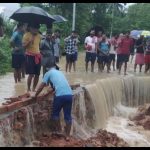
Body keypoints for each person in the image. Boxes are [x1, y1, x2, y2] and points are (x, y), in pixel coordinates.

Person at [32, 57, 73, 141]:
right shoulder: (60, 72)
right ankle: (67, 135)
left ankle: (59, 131)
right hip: (69, 95)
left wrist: (35, 95)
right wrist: (48, 93)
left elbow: (42, 85)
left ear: (46, 68)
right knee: (68, 116)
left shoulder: (48, 73)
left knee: (55, 114)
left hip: (60, 96)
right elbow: (58, 86)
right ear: (54, 66)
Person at [22, 23, 41, 92]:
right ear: (30, 28)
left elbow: (39, 45)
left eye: (37, 28)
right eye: (34, 28)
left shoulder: (39, 36)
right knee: (31, 74)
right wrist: (30, 41)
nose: (36, 30)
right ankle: (28, 88)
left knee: (37, 74)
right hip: (29, 56)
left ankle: (34, 88)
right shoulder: (26, 35)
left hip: (38, 56)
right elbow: (23, 46)